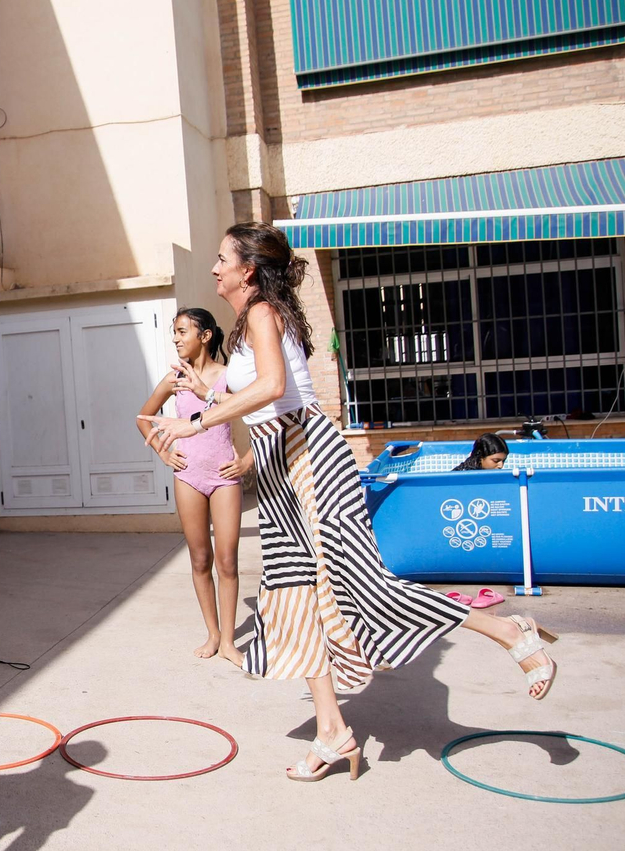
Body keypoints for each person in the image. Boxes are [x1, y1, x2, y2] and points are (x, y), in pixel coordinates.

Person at [141, 222, 558, 783]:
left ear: (247, 270)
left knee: (363, 584)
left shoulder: (263, 311)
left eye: (221, 259)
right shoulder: (248, 323)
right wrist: (208, 390)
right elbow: (259, 392)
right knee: (295, 598)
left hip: (309, 454)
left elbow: (270, 388)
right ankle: (333, 731)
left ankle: (510, 632)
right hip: (278, 458)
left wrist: (195, 421)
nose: (213, 268)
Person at [134, 307, 244, 660]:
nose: (176, 339)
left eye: (182, 331)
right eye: (174, 332)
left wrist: (245, 461)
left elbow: (266, 421)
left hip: (225, 478)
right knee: (200, 559)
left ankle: (228, 641)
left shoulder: (229, 377)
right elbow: (143, 418)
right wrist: (165, 455)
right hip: (188, 478)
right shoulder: (174, 379)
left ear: (205, 336)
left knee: (227, 560)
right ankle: (212, 634)